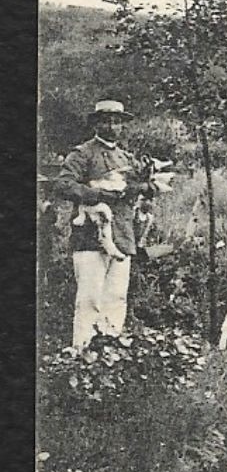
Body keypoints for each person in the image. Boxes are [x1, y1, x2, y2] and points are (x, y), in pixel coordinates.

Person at [54, 100, 164, 347]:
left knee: (116, 298)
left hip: (122, 236)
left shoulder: (127, 157)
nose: (112, 126)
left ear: (123, 126)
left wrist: (145, 187)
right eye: (106, 120)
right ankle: (83, 353)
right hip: (91, 237)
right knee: (90, 299)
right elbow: (63, 184)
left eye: (117, 122)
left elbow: (143, 186)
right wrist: (98, 195)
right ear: (96, 123)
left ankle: (109, 356)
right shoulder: (83, 153)